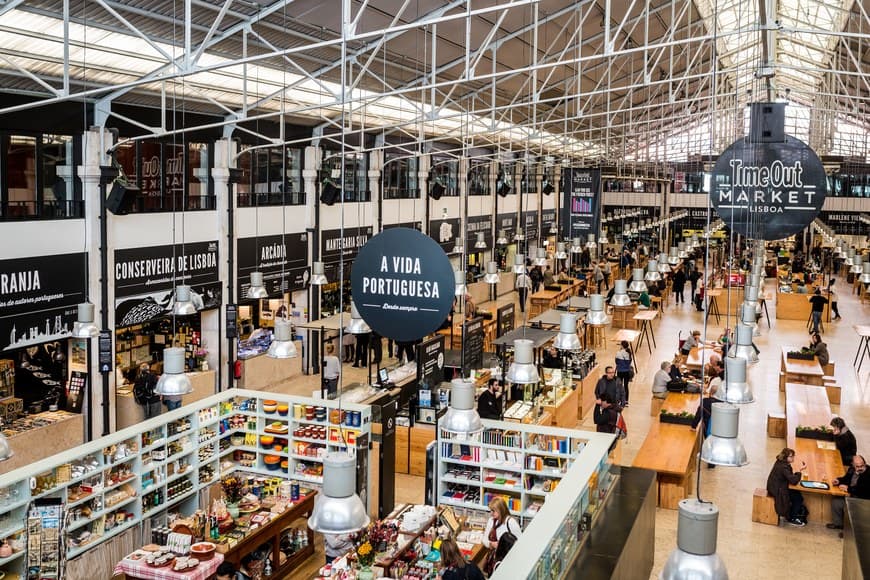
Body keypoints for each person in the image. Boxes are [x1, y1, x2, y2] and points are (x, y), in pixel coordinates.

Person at [766, 447, 808, 526]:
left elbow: (789, 477)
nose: (793, 458)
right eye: (791, 456)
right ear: (786, 457)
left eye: (793, 456)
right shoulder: (784, 467)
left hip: (775, 486)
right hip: (777, 490)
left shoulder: (781, 462)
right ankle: (792, 518)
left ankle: (791, 513)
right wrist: (799, 471)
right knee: (798, 498)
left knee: (796, 494)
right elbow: (794, 481)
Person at [827, 455, 870, 531]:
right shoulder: (851, 470)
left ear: (865, 464)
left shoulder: (868, 473)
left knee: (848, 509)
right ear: (853, 465)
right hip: (852, 496)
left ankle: (849, 532)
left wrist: (848, 488)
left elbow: (863, 490)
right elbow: (846, 478)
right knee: (836, 502)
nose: (860, 468)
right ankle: (838, 524)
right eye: (857, 466)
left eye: (862, 466)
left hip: (863, 501)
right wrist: (838, 481)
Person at [614, 341, 633, 406]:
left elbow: (616, 362)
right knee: (626, 386)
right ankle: (626, 401)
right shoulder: (629, 353)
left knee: (619, 386)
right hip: (627, 372)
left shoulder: (618, 353)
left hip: (620, 371)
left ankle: (619, 400)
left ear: (622, 346)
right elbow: (629, 362)